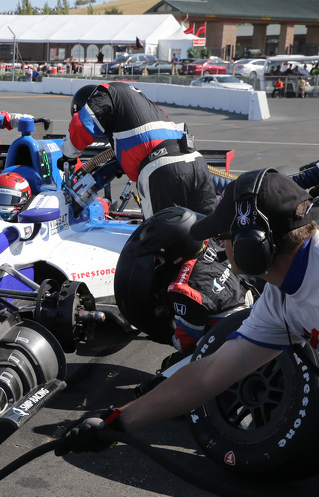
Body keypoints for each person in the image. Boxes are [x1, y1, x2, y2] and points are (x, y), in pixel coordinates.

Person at [56, 169, 319, 454]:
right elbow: (208, 374)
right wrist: (116, 424)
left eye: (223, 236)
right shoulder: (277, 300)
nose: (219, 245)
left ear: (251, 245)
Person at [114, 206, 253, 372]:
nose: (156, 258)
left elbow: (188, 339)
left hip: (230, 340)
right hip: (249, 314)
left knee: (170, 369)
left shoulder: (183, 289)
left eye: (158, 253)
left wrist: (168, 338)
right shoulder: (208, 248)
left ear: (175, 251)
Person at [57, 82, 216, 219]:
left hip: (164, 170)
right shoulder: (140, 105)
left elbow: (80, 125)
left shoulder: (106, 93)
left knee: (164, 240)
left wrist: (68, 156)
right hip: (196, 162)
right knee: (205, 232)